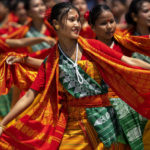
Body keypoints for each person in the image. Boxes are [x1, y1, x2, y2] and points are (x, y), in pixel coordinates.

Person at [0, 2, 150, 150]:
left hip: (107, 122)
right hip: (75, 127)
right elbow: (29, 96)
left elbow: (127, 60)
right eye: (71, 20)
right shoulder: (53, 59)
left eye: (78, 20)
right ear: (56, 24)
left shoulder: (93, 46)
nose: (77, 24)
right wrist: (3, 123)